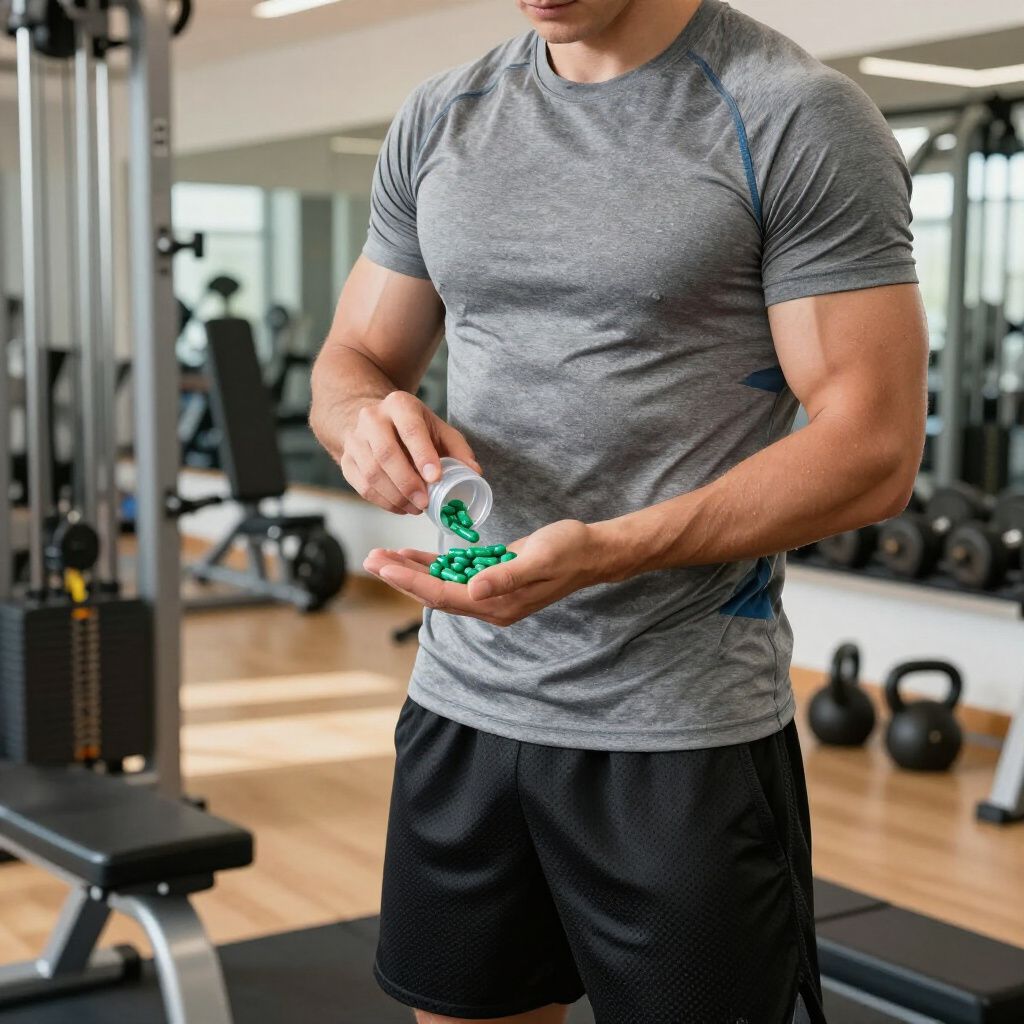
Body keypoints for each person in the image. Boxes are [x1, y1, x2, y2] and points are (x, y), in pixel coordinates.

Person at [309, 0, 927, 1020]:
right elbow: (354, 360)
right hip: (462, 701)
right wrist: (362, 424)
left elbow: (871, 450)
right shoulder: (444, 115)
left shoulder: (792, 114)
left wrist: (604, 553)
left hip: (677, 730)